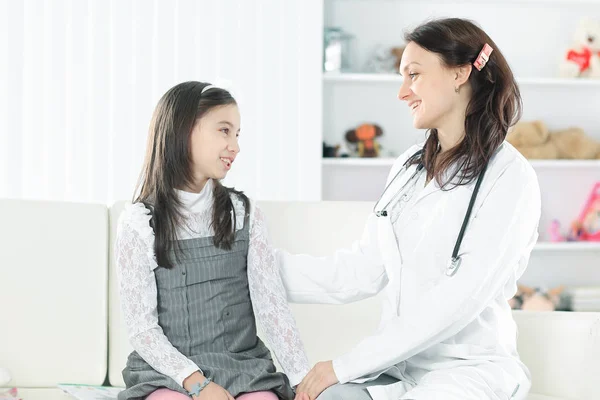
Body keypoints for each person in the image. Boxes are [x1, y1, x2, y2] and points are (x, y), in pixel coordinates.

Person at [281, 18, 541, 400]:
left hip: (467, 370)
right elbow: (360, 271)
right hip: (398, 367)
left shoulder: (510, 178)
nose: (403, 93)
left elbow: (456, 301)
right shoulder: (407, 168)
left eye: (414, 75)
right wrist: (255, 267)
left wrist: (344, 366)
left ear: (460, 72)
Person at [115, 81, 310, 400]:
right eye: (224, 130)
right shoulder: (140, 223)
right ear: (184, 130)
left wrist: (302, 379)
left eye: (237, 134)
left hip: (243, 366)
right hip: (169, 373)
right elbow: (142, 330)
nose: (235, 146)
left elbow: (271, 306)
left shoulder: (244, 213)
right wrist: (197, 383)